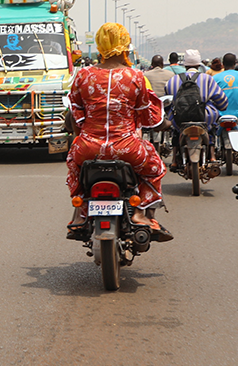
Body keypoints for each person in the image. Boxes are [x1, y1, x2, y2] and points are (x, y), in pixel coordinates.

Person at [66, 23, 172, 241]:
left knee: (75, 170)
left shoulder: (82, 75)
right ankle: (141, 214)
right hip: (128, 149)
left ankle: (79, 214)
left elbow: (75, 116)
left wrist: (81, 139)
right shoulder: (136, 76)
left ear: (99, 45)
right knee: (155, 168)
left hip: (87, 148)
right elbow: (147, 117)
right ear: (125, 45)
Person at [163, 49, 228, 171]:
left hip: (180, 119)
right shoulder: (208, 79)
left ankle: (174, 161)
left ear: (185, 64)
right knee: (212, 128)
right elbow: (221, 100)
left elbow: (168, 103)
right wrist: (221, 107)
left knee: (176, 130)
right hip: (204, 117)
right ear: (199, 64)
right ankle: (212, 156)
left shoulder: (173, 80)